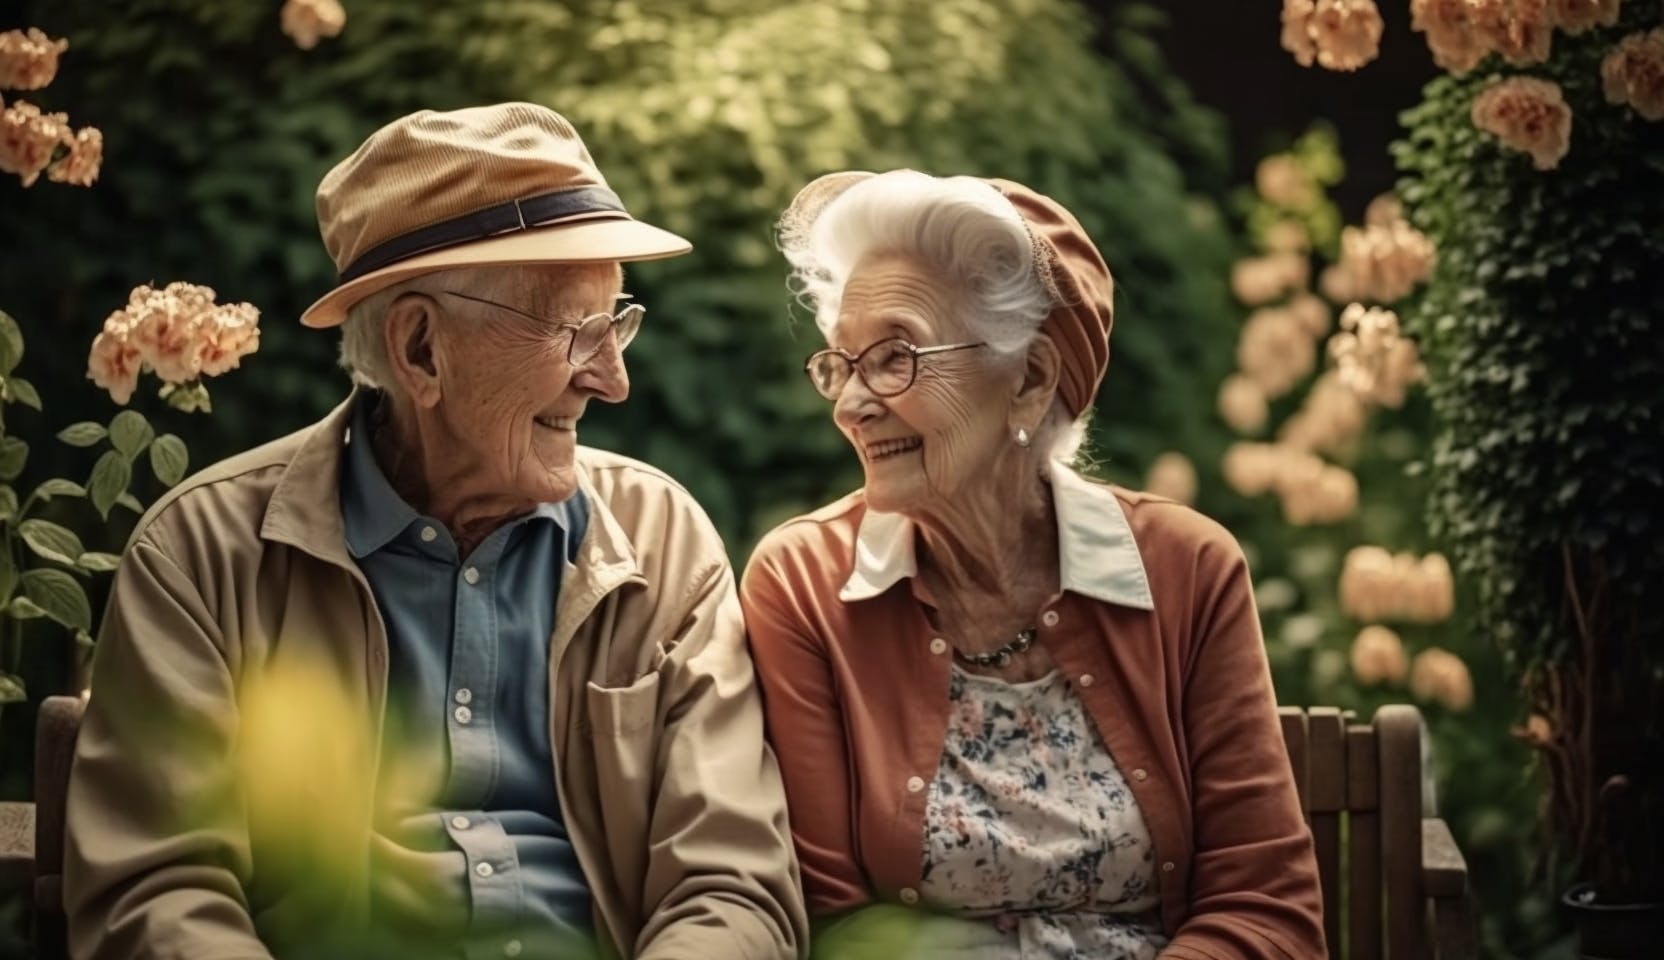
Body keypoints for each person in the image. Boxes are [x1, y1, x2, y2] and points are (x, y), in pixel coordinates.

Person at [63, 103, 807, 960]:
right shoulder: (202, 558)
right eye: (578, 332)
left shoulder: (662, 539)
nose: (613, 379)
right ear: (421, 351)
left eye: (617, 323)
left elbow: (730, 883)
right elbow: (158, 892)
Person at [741, 169, 1325, 959]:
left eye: (895, 356)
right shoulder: (805, 585)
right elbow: (830, 914)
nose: (852, 403)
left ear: (1031, 377)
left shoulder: (1187, 570)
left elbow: (1264, 908)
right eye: (841, 364)